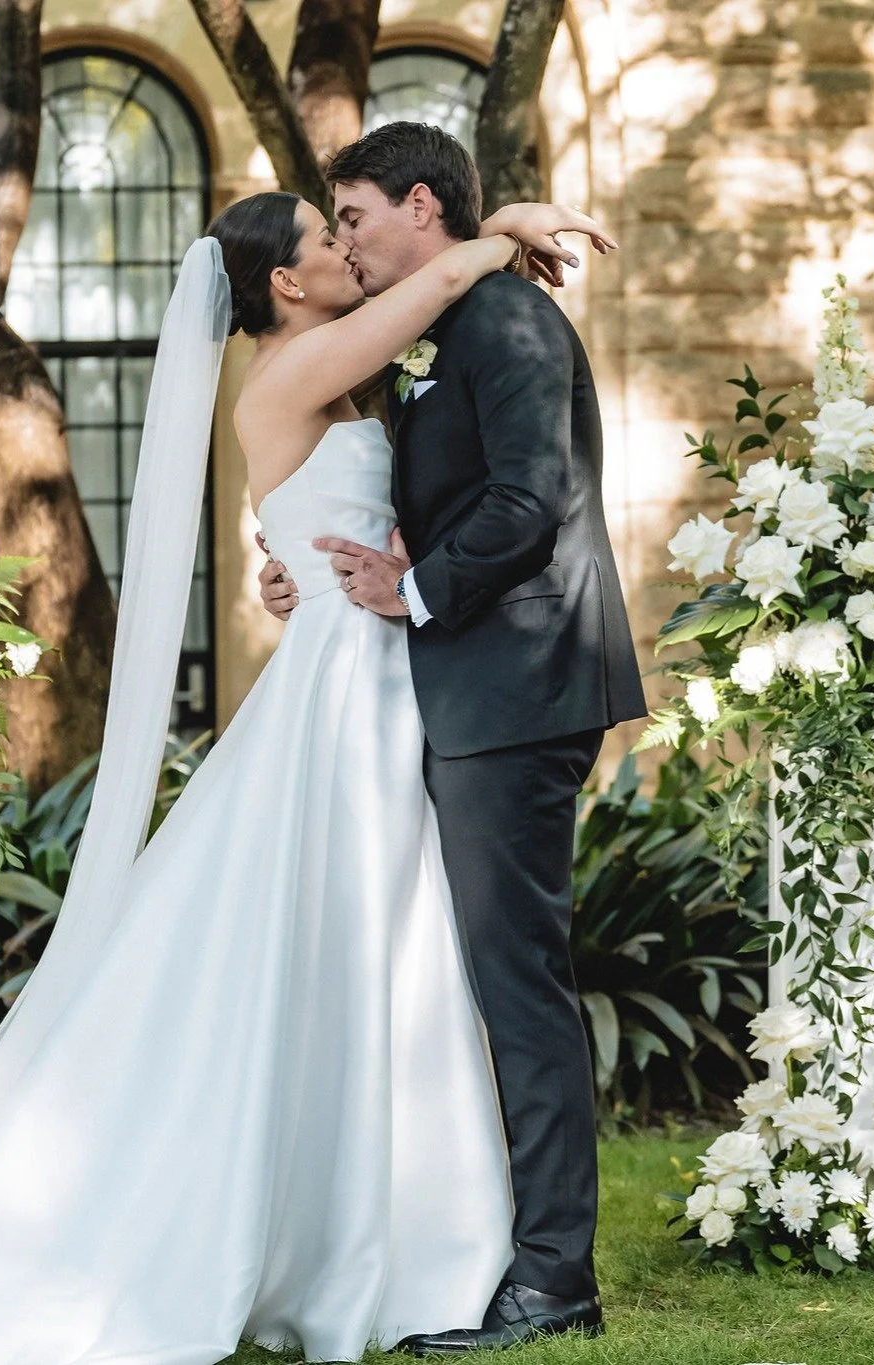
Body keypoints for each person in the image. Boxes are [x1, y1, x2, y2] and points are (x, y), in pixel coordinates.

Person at [0, 186, 612, 1364]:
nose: (344, 248)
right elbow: (436, 283)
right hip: (350, 692)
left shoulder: (334, 377)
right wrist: (514, 223)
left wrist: (309, 569)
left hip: (382, 668)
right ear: (285, 284)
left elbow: (328, 513)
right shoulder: (292, 374)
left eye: (349, 225)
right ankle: (379, 1241)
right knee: (363, 941)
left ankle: (393, 1226)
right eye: (324, 237)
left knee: (386, 952)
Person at [258, 122, 647, 1354]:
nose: (350, 241)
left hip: (519, 690)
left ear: (421, 207)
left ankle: (551, 1283)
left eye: (357, 217)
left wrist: (408, 593)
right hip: (464, 691)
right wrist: (310, 573)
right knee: (477, 981)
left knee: (518, 986)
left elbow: (535, 500)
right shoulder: (443, 323)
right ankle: (483, 1249)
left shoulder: (513, 323)